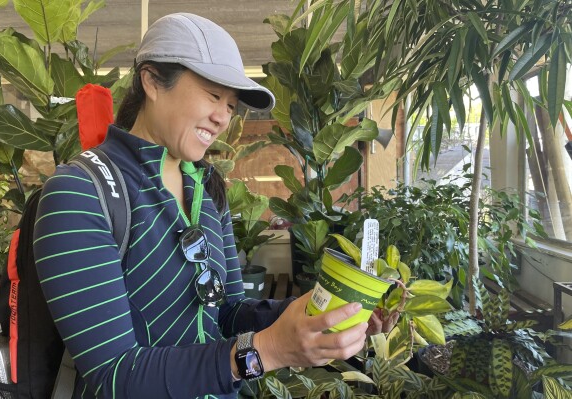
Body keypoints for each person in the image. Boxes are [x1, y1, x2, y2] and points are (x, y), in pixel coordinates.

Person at [33, 13, 390, 398]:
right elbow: (115, 376)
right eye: (213, 95)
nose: (222, 118)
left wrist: (314, 315)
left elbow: (228, 312)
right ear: (151, 80)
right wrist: (267, 350)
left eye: (232, 105)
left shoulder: (207, 188)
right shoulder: (80, 193)